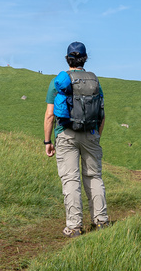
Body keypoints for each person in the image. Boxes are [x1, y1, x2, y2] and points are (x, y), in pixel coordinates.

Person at [43, 41, 108, 237]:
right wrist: (96, 136)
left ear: (67, 58)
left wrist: (48, 142)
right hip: (90, 134)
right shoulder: (94, 81)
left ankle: (74, 226)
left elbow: (49, 115)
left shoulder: (59, 81)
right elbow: (102, 115)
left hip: (65, 133)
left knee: (71, 179)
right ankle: (101, 221)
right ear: (85, 58)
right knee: (94, 177)